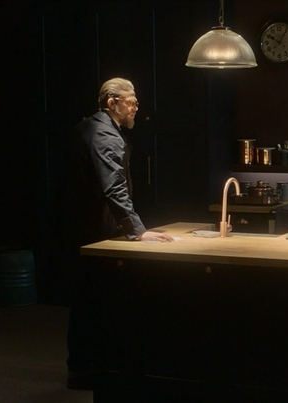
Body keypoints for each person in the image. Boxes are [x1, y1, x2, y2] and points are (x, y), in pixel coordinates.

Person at [62, 77, 173, 390]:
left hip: (81, 227)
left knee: (86, 300)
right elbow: (114, 188)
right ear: (112, 103)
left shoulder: (86, 127)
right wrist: (138, 231)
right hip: (99, 231)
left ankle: (82, 368)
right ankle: (94, 370)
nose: (136, 106)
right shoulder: (106, 135)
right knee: (100, 300)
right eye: (131, 101)